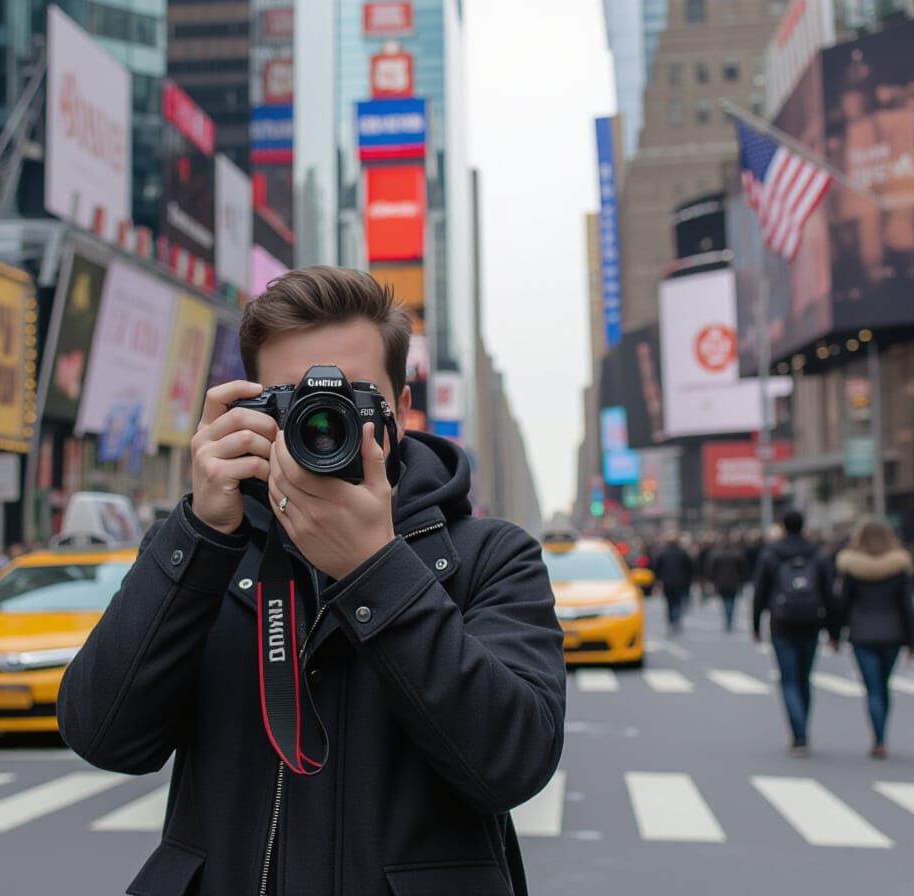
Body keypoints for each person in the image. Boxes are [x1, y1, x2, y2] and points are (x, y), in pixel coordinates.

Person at [57, 266, 566, 896]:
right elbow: (103, 736)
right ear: (248, 412)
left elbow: (512, 763)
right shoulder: (212, 555)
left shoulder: (488, 557)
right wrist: (198, 535)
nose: (325, 424)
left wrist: (375, 571)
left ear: (402, 411)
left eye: (352, 399)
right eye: (294, 402)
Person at [753, 510, 838, 757]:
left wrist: (755, 625)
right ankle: (803, 729)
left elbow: (760, 593)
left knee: (788, 680)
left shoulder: (771, 554)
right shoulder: (818, 554)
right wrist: (834, 631)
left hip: (782, 622)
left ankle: (799, 736)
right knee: (804, 679)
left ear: (782, 526)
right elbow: (830, 595)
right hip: (812, 622)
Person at [835, 518, 914, 760]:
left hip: (862, 632)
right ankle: (882, 736)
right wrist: (911, 642)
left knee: (873, 688)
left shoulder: (851, 565)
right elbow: (906, 607)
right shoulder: (899, 565)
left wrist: (835, 633)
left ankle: (878, 739)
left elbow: (843, 604)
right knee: (884, 685)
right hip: (892, 632)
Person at [652, 534, 695, 635]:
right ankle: (676, 618)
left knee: (669, 603)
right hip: (680, 582)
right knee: (677, 602)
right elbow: (690, 568)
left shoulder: (662, 554)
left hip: (667, 583)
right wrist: (688, 580)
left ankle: (671, 619)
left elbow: (657, 569)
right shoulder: (682, 553)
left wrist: (658, 581)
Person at [708, 538, 749, 633]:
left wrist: (712, 580)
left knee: (725, 602)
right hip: (734, 582)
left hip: (721, 582)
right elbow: (743, 569)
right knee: (731, 602)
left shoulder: (716, 555)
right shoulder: (737, 554)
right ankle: (729, 618)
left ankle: (728, 618)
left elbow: (711, 569)